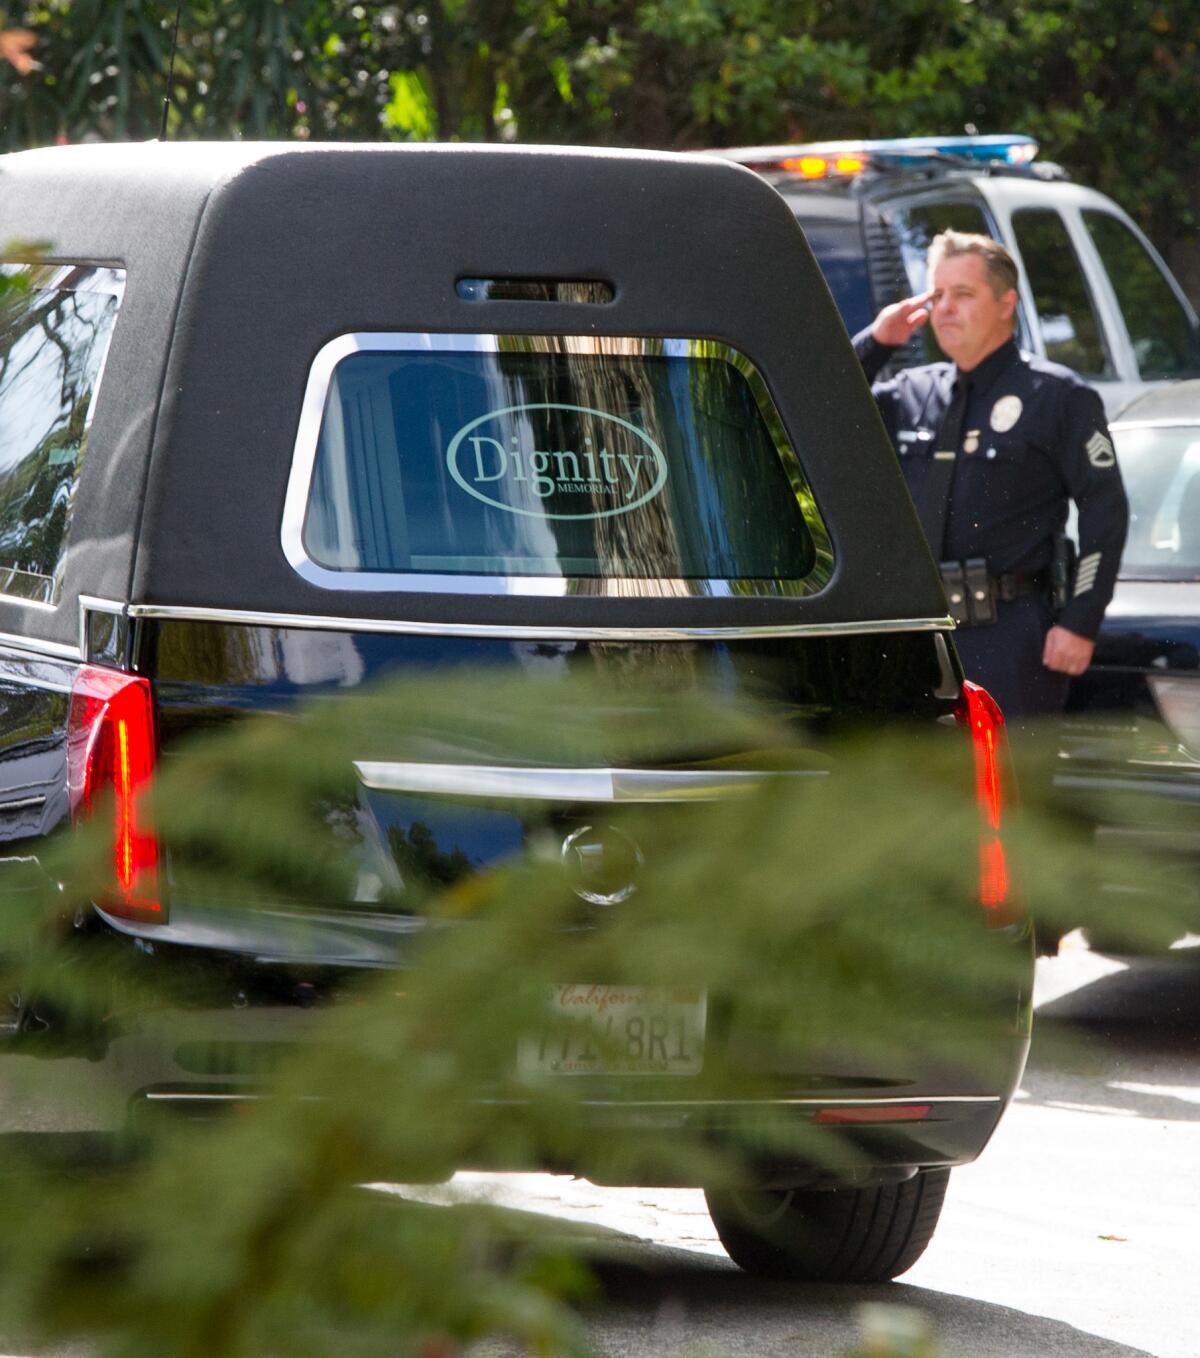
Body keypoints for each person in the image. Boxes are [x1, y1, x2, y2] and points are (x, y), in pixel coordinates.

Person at [854, 230, 1129, 720]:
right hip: (920, 634)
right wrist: (875, 343)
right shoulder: (912, 393)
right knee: (920, 792)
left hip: (1012, 635)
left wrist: (1081, 622)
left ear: (1007, 303)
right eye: (937, 295)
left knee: (1012, 792)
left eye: (963, 295)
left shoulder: (1057, 396)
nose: (946, 309)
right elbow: (825, 408)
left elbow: (1105, 510)